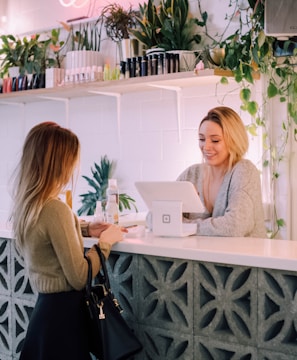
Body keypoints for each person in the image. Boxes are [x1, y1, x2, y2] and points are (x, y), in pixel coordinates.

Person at [10, 122, 126, 360]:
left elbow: (46, 234)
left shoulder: (30, 206)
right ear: (61, 163)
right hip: (64, 321)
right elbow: (79, 277)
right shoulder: (56, 209)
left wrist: (83, 228)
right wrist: (105, 242)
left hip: (45, 315)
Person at [177, 106, 267, 238]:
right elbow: (154, 217)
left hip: (241, 257)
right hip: (202, 256)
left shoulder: (244, 171)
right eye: (202, 139)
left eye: (215, 140)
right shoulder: (192, 174)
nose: (206, 147)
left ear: (234, 140)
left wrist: (184, 226)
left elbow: (234, 226)